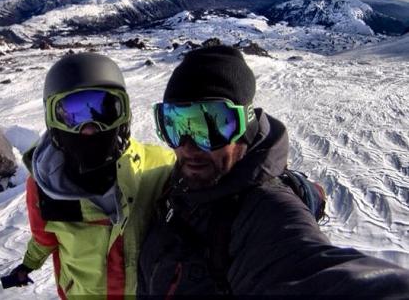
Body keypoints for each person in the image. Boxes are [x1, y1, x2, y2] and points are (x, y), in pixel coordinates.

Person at [137, 45, 409, 297]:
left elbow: (306, 269)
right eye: (174, 125)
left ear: (246, 127)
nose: (188, 146)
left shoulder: (267, 210)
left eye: (212, 126)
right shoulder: (179, 185)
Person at [4, 52, 175, 298]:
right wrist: (28, 265)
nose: (90, 129)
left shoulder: (157, 169)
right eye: (73, 114)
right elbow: (44, 237)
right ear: (52, 119)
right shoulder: (44, 186)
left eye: (104, 110)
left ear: (123, 114)